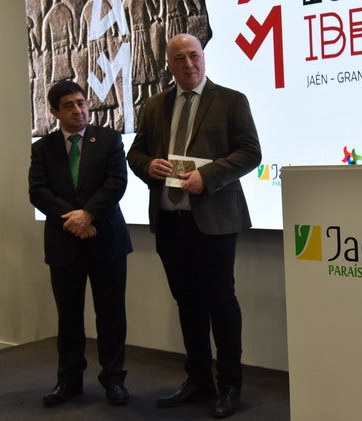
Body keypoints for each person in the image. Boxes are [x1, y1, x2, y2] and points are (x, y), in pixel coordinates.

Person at [127, 33, 261, 418]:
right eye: (180, 58)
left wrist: (211, 176)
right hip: (171, 220)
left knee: (221, 302)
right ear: (169, 65)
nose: (189, 63)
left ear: (204, 58)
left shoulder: (231, 101)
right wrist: (147, 166)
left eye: (194, 55)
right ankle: (199, 379)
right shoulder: (155, 105)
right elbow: (135, 152)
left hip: (215, 219)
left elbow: (251, 152)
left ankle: (230, 384)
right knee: (187, 303)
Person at [29, 80, 132, 407]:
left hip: (106, 241)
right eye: (70, 106)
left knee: (111, 315)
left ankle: (113, 380)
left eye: (82, 103)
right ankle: (69, 381)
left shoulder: (109, 139)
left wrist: (88, 214)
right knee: (69, 316)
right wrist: (73, 219)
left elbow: (117, 183)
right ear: (55, 111)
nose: (79, 110)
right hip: (64, 244)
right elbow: (38, 192)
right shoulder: (42, 148)